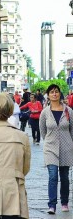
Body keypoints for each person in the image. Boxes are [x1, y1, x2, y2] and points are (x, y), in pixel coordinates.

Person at [39, 84, 73, 214]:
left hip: (66, 148)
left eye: (56, 92)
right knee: (53, 176)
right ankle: (52, 205)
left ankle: (64, 202)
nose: (54, 94)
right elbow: (43, 131)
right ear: (48, 95)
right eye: (51, 92)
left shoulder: (68, 111)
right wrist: (49, 141)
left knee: (64, 177)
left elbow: (72, 130)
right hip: (50, 148)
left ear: (60, 94)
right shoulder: (45, 112)